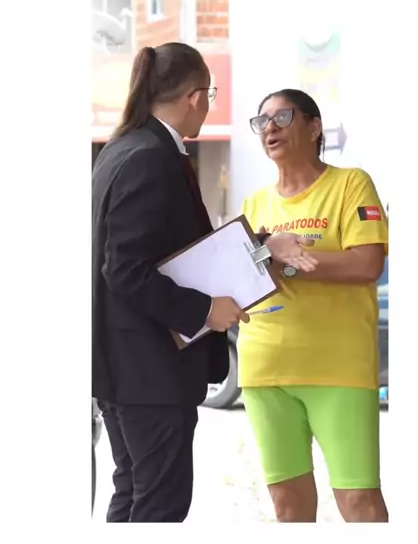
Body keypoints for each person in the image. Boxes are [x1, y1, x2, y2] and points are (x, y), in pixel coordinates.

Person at [92, 47, 316, 523]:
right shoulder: (151, 158)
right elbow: (125, 268)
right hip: (149, 371)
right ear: (195, 97)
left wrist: (261, 246)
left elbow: (175, 251)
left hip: (123, 368)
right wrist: (204, 311)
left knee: (132, 492)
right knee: (159, 505)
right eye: (209, 97)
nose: (208, 106)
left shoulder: (122, 149)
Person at [238, 89, 389, 523]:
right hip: (265, 369)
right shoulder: (254, 204)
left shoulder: (350, 184)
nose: (269, 128)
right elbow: (244, 281)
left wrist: (289, 261)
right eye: (262, 122)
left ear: (314, 126)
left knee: (359, 502)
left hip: (337, 368)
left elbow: (367, 263)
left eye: (282, 117)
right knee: (288, 506)